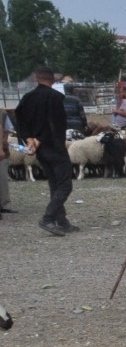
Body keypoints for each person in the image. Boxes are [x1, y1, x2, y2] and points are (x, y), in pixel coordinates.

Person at [14, 66, 77, 235]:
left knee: (54, 184)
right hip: (53, 146)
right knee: (65, 185)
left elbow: (19, 118)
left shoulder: (27, 98)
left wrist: (28, 138)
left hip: (38, 149)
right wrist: (41, 139)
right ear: (53, 79)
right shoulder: (55, 98)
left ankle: (61, 220)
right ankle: (48, 218)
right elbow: (55, 123)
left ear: (36, 78)